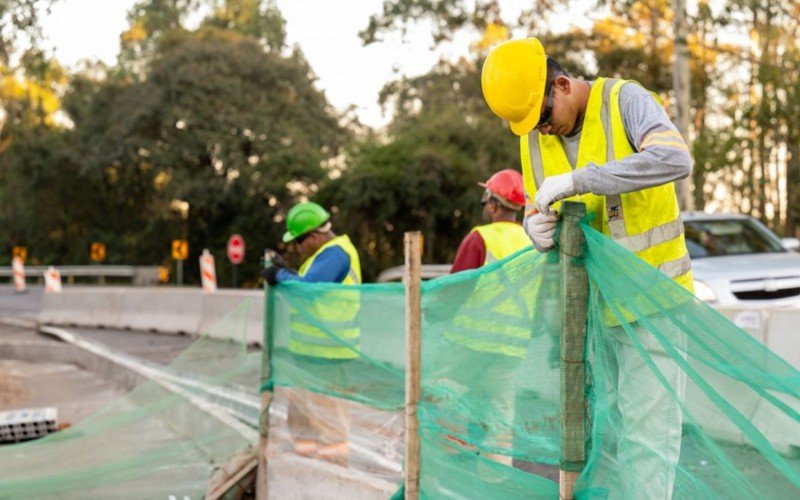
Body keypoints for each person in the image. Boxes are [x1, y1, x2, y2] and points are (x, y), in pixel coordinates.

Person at [481, 38, 694, 498]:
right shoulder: (534, 140)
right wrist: (532, 224)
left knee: (648, 439)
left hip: (654, 303)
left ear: (561, 84)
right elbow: (545, 204)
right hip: (596, 311)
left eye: (542, 117)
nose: (541, 132)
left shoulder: (625, 100)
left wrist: (582, 178)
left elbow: (676, 159)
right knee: (606, 435)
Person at [262, 201, 362, 466]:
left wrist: (280, 274)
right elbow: (312, 283)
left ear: (314, 236)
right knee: (302, 417)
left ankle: (333, 474)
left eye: (299, 241)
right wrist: (287, 272)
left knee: (329, 420)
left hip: (329, 355)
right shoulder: (324, 256)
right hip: (311, 354)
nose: (298, 247)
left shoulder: (336, 253)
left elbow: (309, 288)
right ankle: (305, 465)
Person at [451, 169, 530, 273]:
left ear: (493, 206)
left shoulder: (478, 238)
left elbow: (456, 286)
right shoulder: (532, 238)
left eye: (484, 202)